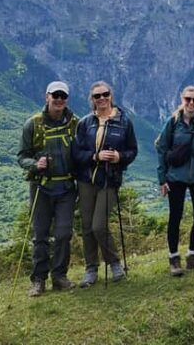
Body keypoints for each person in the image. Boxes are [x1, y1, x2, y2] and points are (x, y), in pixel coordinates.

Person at [72, 81, 138, 287]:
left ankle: (115, 263)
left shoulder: (124, 122)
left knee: (98, 225)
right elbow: (76, 153)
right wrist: (95, 156)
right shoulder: (84, 123)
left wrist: (119, 157)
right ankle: (91, 269)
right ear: (91, 100)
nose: (101, 99)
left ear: (111, 95)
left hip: (110, 179)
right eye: (97, 96)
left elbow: (132, 151)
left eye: (105, 94)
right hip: (86, 180)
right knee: (87, 226)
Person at [17, 80, 79, 296]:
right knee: (40, 235)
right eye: (56, 95)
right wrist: (35, 165)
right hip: (41, 187)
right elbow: (21, 156)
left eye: (63, 96)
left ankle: (59, 276)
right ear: (47, 97)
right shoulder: (32, 124)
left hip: (67, 187)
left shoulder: (74, 124)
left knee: (63, 233)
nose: (59, 99)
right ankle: (38, 280)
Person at [156, 85, 194, 276]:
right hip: (176, 177)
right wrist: (162, 178)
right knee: (175, 216)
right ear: (181, 100)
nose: (191, 103)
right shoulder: (172, 122)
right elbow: (161, 148)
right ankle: (174, 258)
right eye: (188, 99)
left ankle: (192, 255)